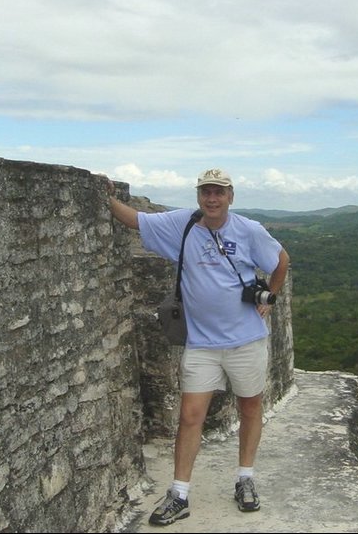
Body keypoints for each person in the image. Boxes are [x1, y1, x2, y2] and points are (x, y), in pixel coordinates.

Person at [106, 168, 290, 526]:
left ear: (230, 197)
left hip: (246, 340)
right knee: (191, 416)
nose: (212, 198)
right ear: (198, 196)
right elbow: (137, 221)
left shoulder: (249, 230)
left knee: (251, 408)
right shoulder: (182, 226)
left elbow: (281, 260)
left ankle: (245, 478)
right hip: (202, 343)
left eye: (219, 192)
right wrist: (107, 198)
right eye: (206, 192)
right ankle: (179, 493)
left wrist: (270, 296)